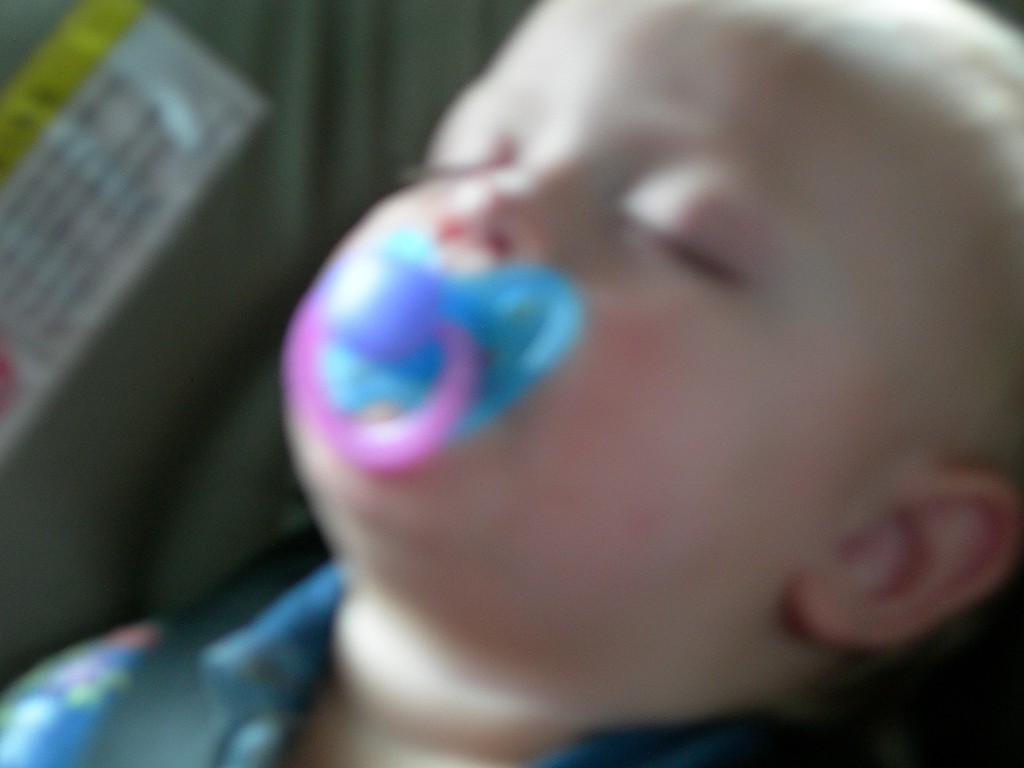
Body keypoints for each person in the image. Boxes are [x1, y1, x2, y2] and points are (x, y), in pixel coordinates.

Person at [4, 0, 1024, 766]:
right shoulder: (102, 700)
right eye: (465, 158)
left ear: (880, 553)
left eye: (670, 234)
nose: (483, 210)